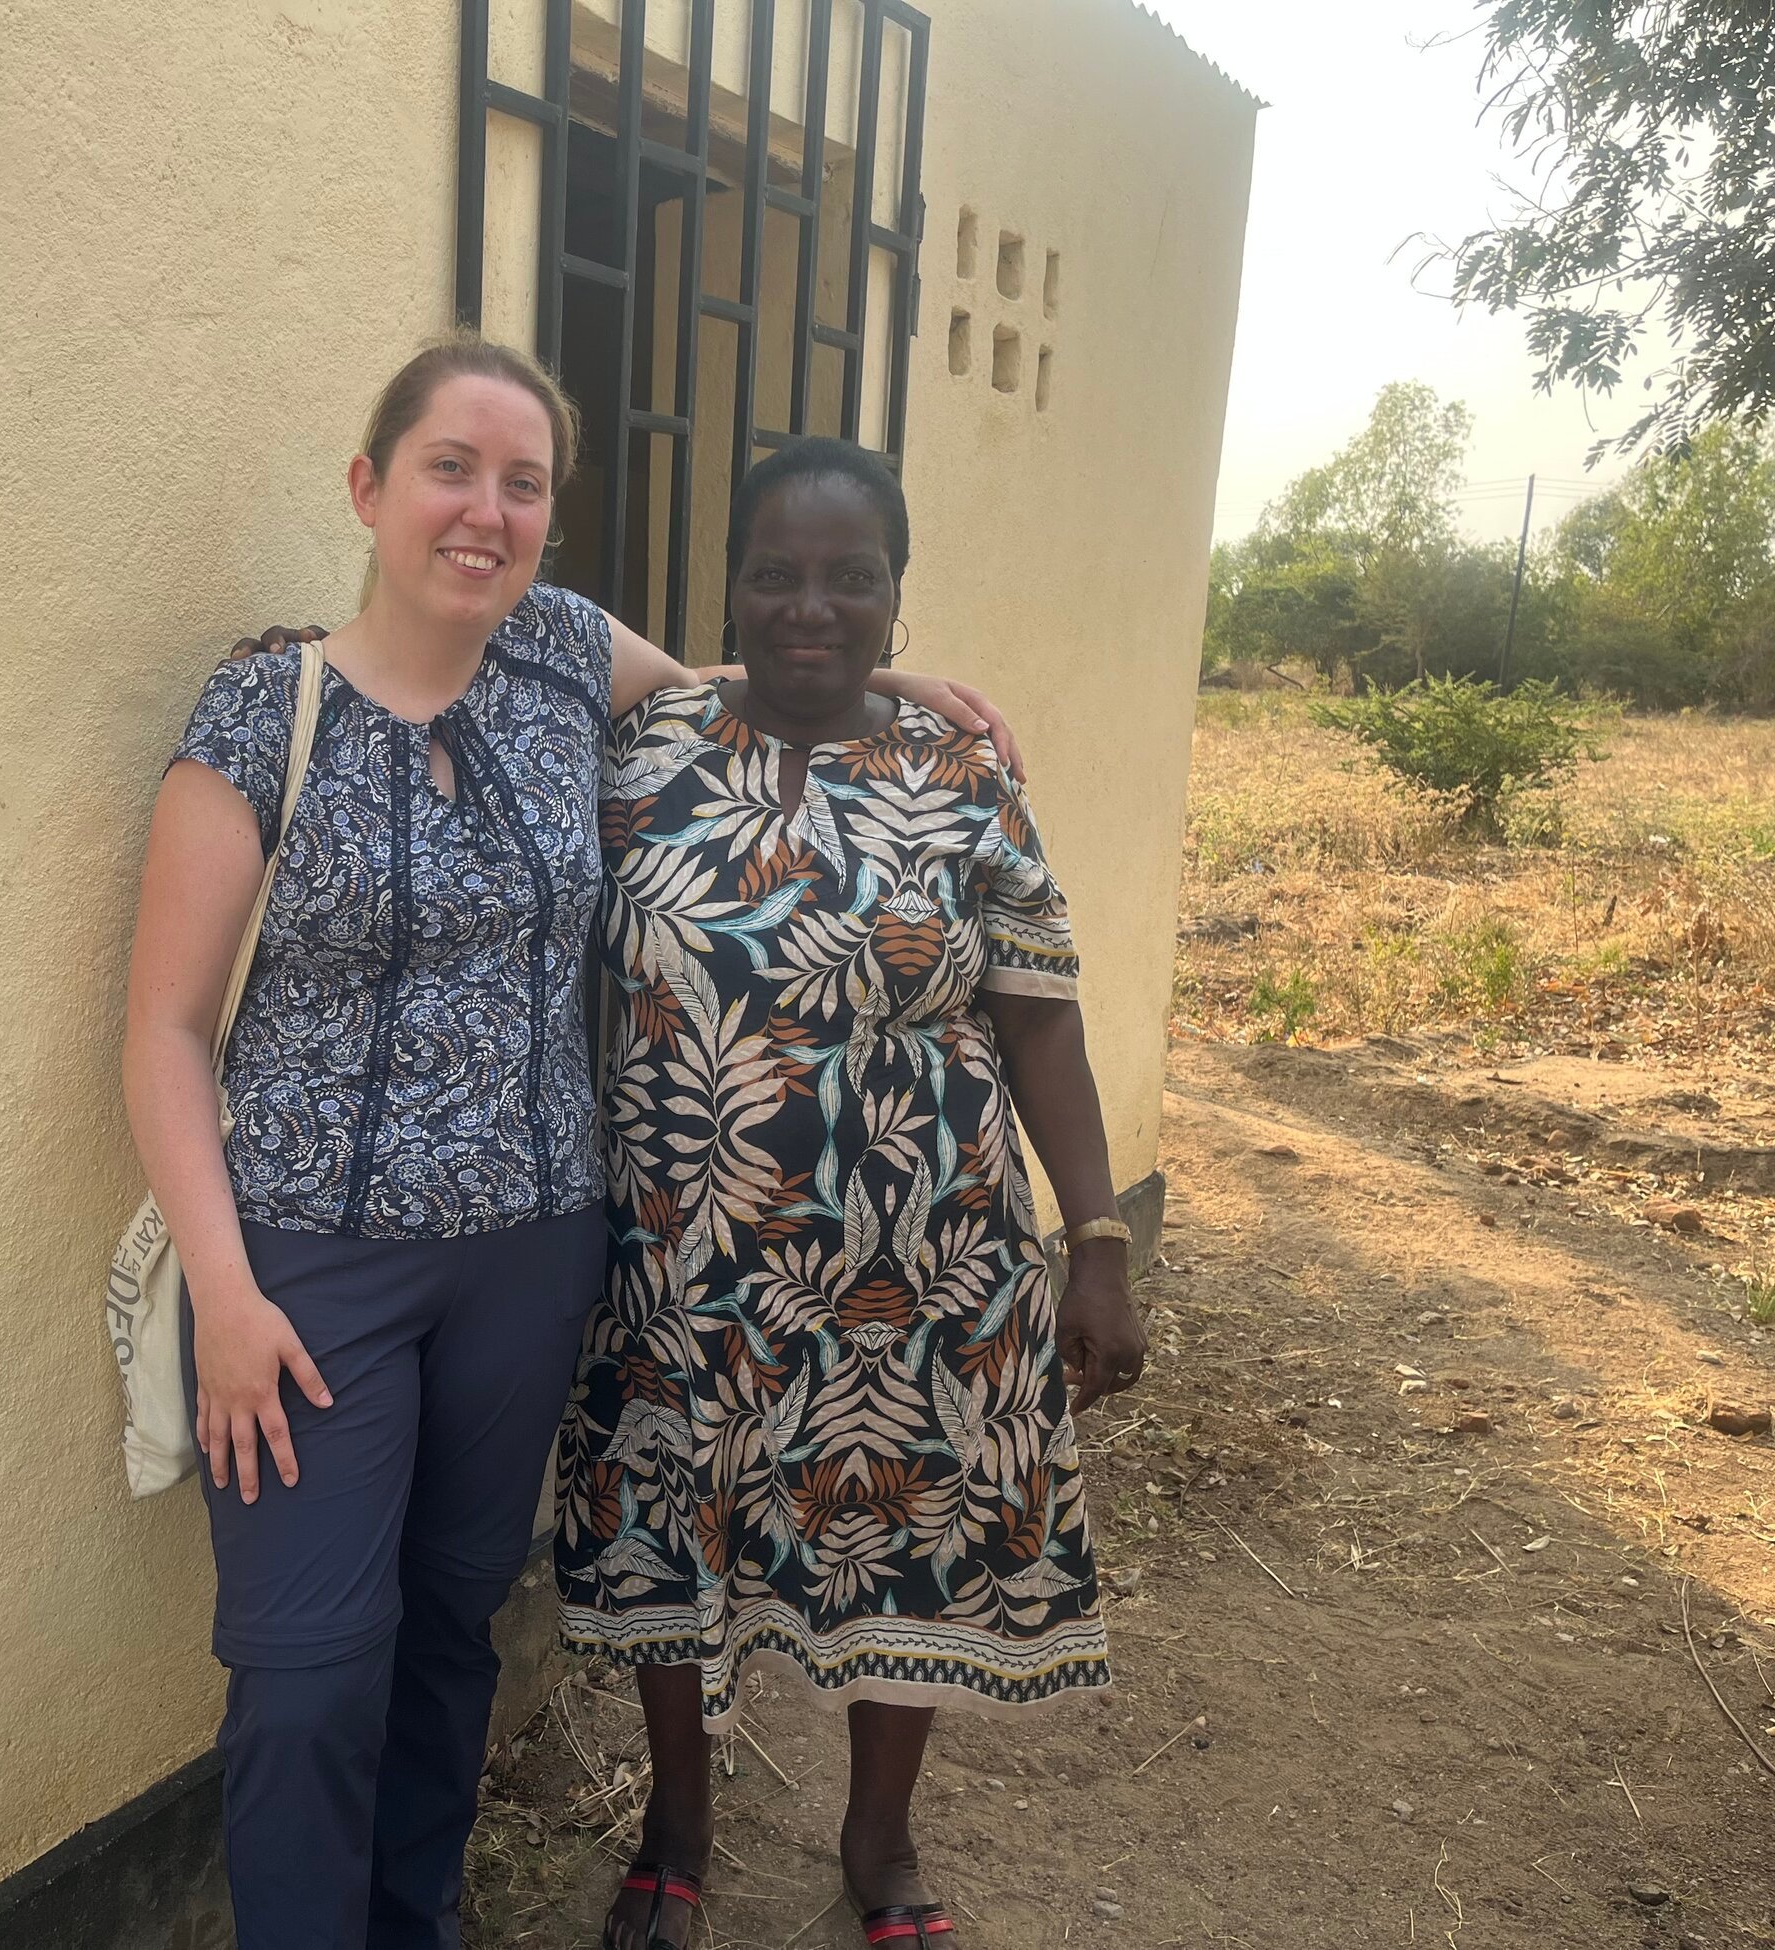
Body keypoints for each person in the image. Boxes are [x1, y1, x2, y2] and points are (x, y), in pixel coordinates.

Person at [119, 337, 1021, 1950]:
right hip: (308, 1262)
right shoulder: (268, 706)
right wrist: (225, 1289)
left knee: (456, 1629)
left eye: (522, 483)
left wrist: (897, 686)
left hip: (537, 1255)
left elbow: (747, 689)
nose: (485, 510)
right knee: (310, 1671)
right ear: (369, 488)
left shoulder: (553, 653)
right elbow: (167, 1030)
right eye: (450, 470)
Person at [554, 438, 1150, 1950]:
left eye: (849, 578)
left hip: (924, 1254)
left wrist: (1095, 1238)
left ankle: (879, 1843)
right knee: (668, 1535)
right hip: (678, 1262)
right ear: (731, 586)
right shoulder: (643, 747)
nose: (809, 605)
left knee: (908, 1539)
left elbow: (1039, 1011)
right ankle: (674, 1830)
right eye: (777, 573)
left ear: (897, 597)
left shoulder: (965, 775)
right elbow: (478, 635)